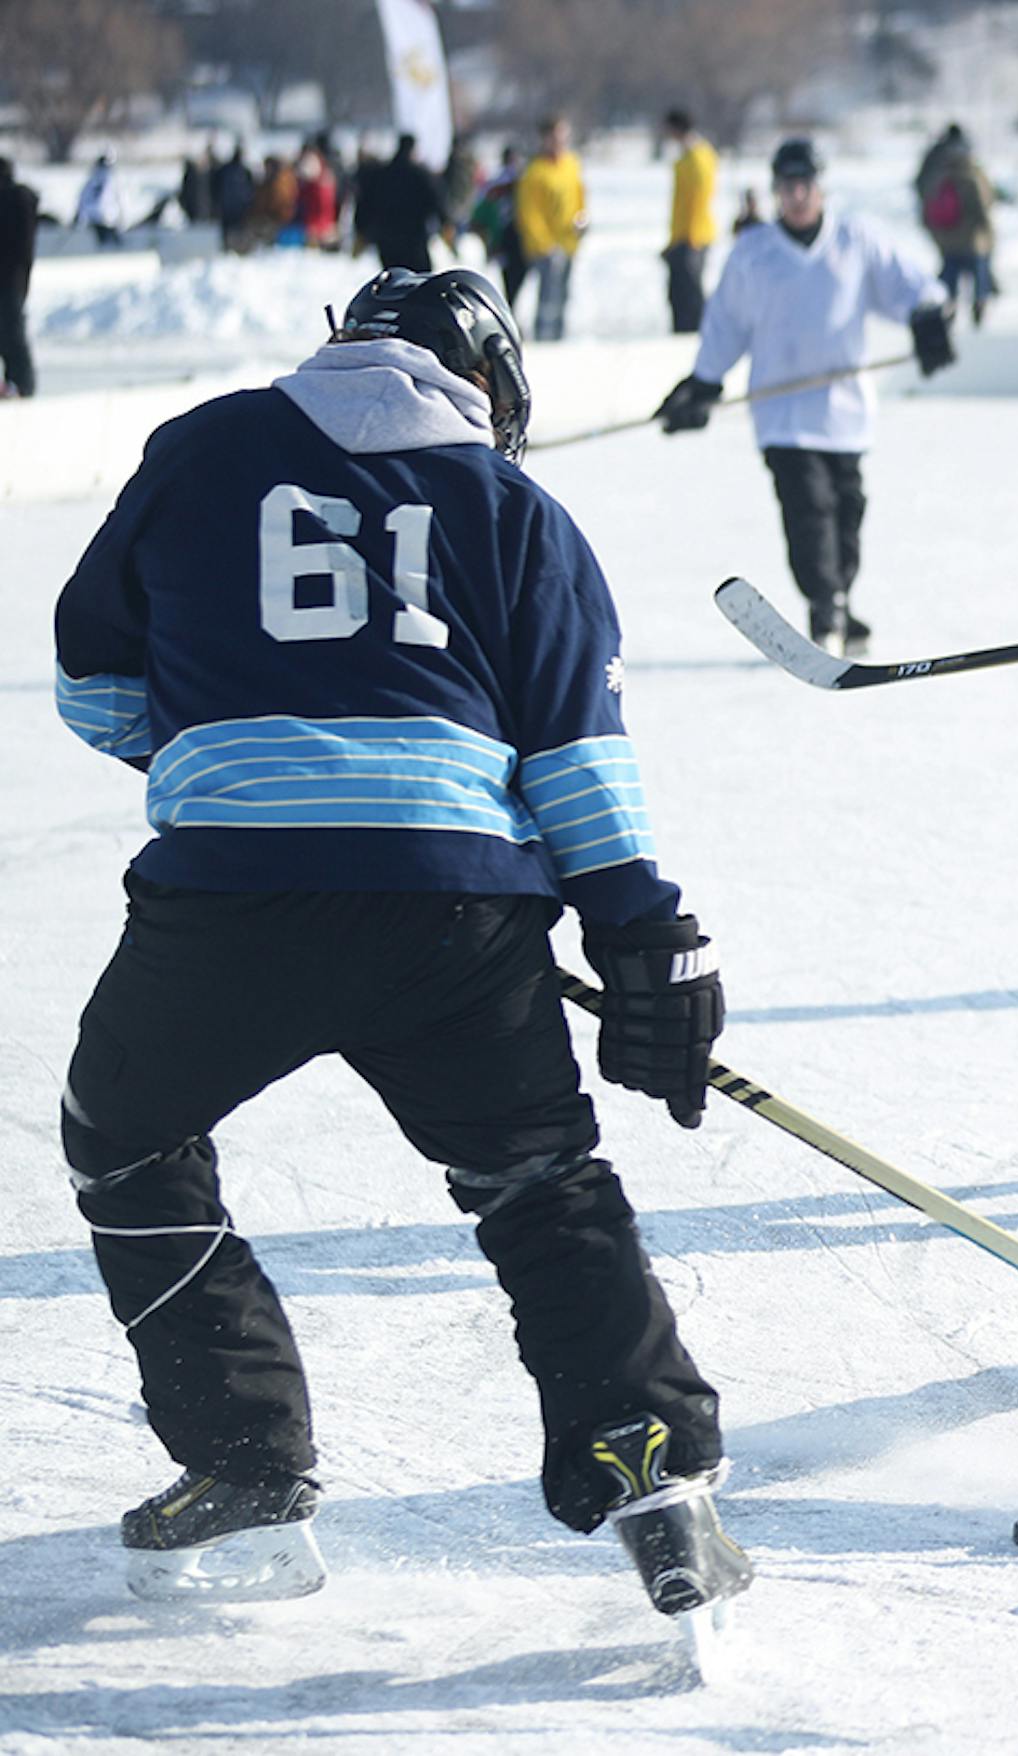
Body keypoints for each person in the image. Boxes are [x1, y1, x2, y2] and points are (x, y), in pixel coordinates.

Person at [50, 266, 740, 1609]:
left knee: (120, 1139)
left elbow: (92, 684)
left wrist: (219, 750)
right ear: (487, 383)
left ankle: (245, 1454)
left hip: (230, 900)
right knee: (542, 1181)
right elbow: (576, 766)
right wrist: (642, 934)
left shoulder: (198, 450)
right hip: (455, 908)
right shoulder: (515, 508)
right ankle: (655, 1479)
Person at [655, 137, 956, 657]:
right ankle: (825, 604)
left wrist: (928, 317)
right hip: (783, 414)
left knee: (847, 511)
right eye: (787, 188)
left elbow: (909, 287)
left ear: (822, 189)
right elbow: (725, 324)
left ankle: (838, 597)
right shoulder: (754, 254)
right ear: (776, 192)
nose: (797, 197)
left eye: (806, 186)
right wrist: (705, 381)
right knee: (808, 509)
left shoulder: (854, 241)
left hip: (845, 412)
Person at [915, 123, 999, 327]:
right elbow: (982, 201)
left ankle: (946, 306)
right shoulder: (969, 167)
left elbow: (922, 189)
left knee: (949, 270)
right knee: (978, 269)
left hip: (946, 234)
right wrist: (989, 233)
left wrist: (930, 226)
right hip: (971, 236)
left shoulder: (935, 163)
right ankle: (979, 303)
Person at [516, 117, 586, 341]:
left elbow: (579, 196)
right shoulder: (535, 172)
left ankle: (559, 336)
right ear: (545, 139)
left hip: (568, 241)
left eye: (563, 136)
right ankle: (545, 338)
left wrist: (582, 220)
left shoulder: (571, 164)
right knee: (548, 297)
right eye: (555, 136)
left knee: (564, 295)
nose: (559, 141)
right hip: (545, 247)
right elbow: (529, 213)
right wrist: (543, 244)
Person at [354, 133, 446, 274]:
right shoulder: (420, 176)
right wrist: (444, 223)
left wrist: (361, 230)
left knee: (393, 282)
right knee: (419, 281)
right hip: (414, 238)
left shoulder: (381, 175)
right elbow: (436, 202)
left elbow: (365, 203)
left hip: (386, 239)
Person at [663, 108, 719, 334]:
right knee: (678, 293)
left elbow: (698, 198)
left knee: (691, 293)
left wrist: (692, 237)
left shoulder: (697, 158)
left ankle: (694, 332)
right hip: (682, 234)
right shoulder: (689, 156)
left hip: (693, 236)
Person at [0, 157, 39, 397]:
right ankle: (18, 383)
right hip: (16, 278)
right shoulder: (21, 198)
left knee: (12, 333)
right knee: (11, 332)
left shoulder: (13, 199)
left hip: (9, 279)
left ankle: (22, 384)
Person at [470, 145, 527, 309]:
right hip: (512, 236)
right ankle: (509, 309)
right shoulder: (517, 181)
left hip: (501, 237)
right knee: (513, 279)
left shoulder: (496, 183)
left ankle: (509, 308)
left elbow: (481, 211)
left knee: (507, 279)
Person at [212, 143, 256, 254]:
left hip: (230, 208)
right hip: (234, 207)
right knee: (233, 231)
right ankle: (234, 250)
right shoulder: (243, 170)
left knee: (232, 231)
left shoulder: (229, 169)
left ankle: (234, 250)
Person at [74, 154, 123, 247]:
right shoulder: (110, 179)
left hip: (91, 221)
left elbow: (83, 199)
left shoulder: (91, 179)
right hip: (108, 221)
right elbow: (117, 200)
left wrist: (77, 218)